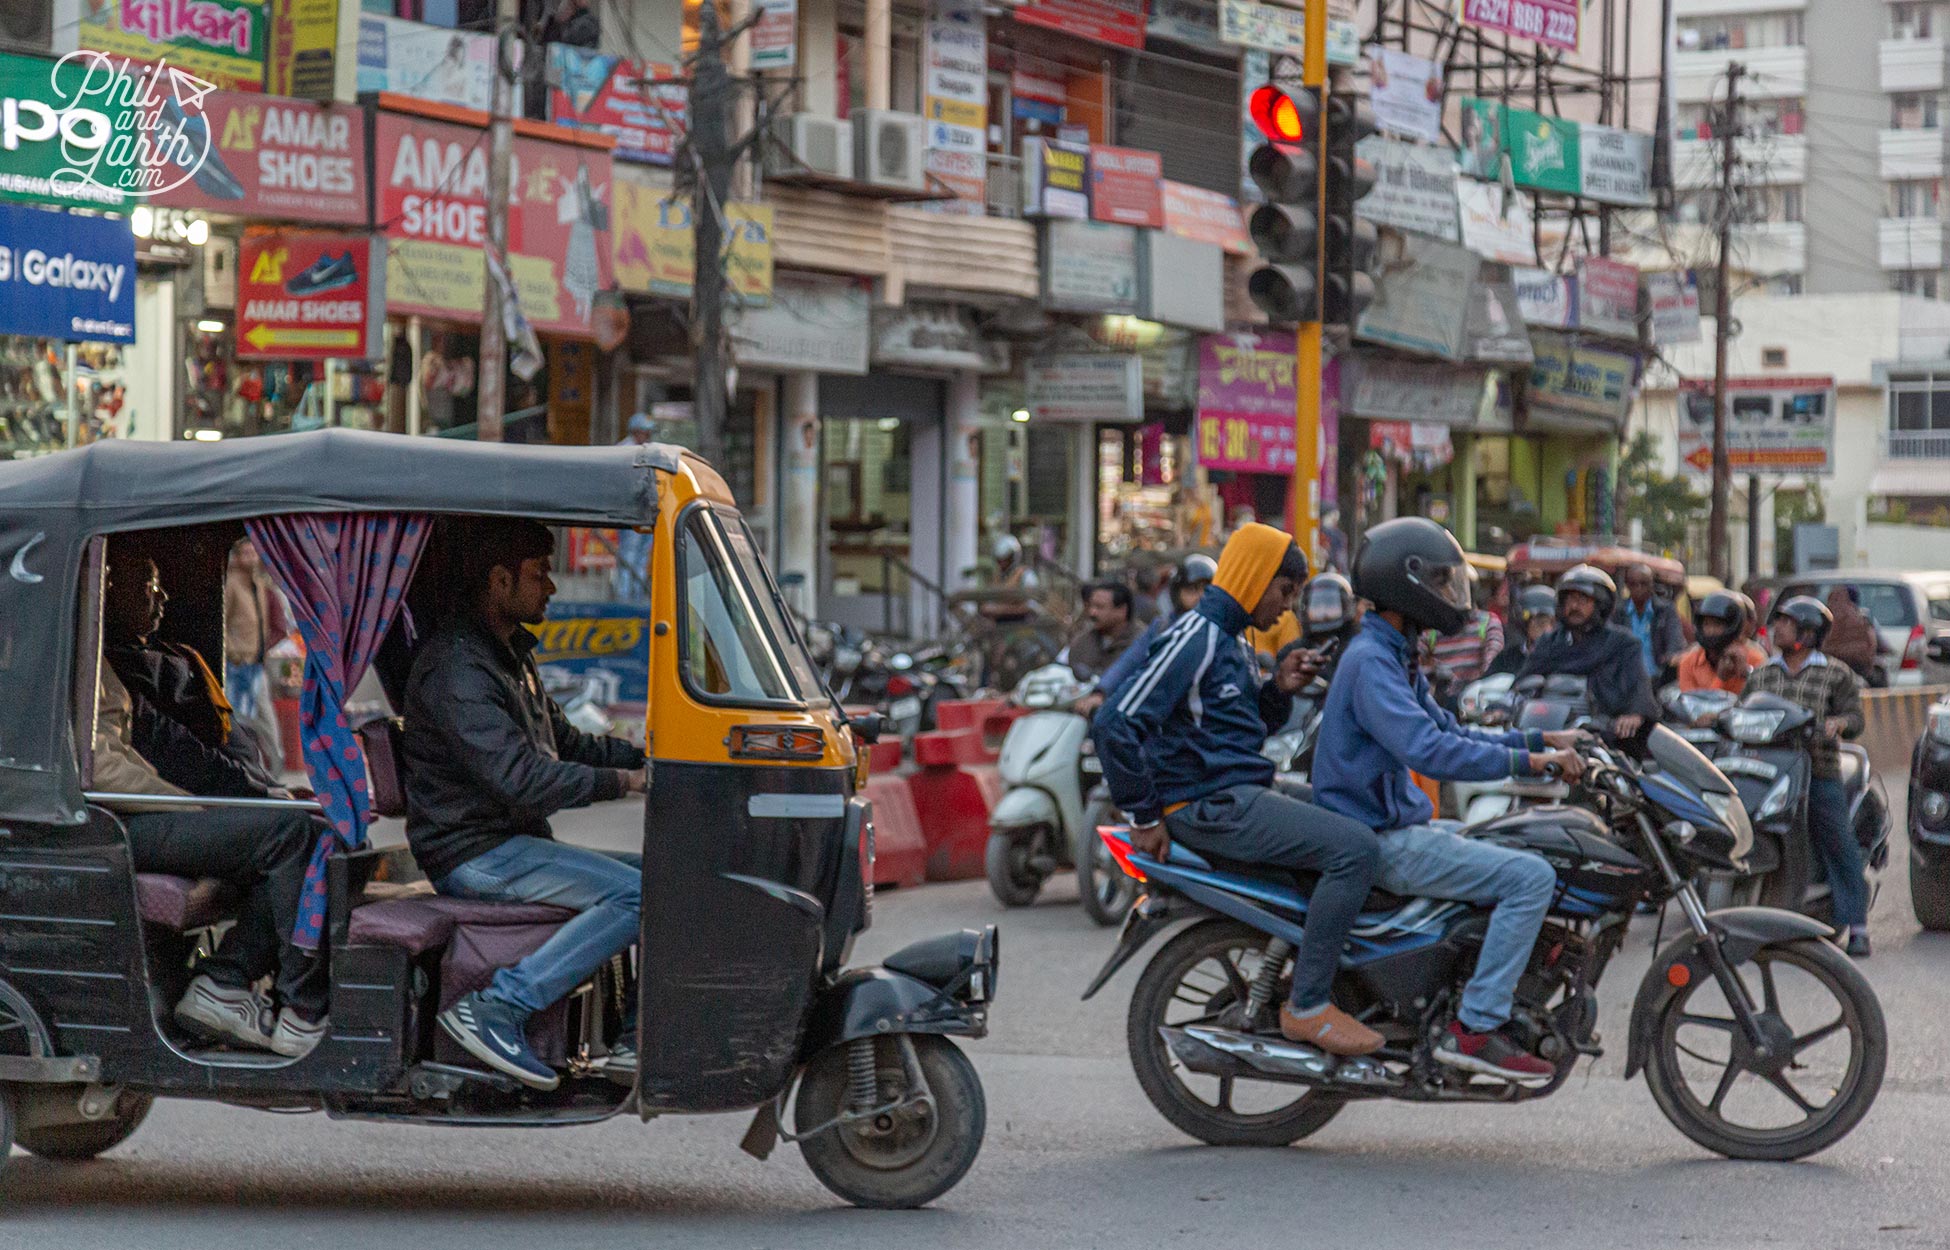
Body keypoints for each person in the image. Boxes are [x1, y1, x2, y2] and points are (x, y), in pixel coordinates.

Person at [1094, 524, 1385, 1056]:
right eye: (1285, 590)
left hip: (1234, 791)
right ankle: (1309, 1003)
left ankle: (1315, 974)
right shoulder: (1195, 636)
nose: (1288, 608)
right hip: (1210, 805)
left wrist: (1278, 689)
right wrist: (1145, 817)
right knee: (1356, 850)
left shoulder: (1231, 641)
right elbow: (1115, 723)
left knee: (1360, 819)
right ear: (1255, 579)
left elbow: (1235, 734)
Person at [1312, 518, 1586, 1083]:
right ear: (1404, 584)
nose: (1450, 597)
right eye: (1440, 583)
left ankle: (1463, 990)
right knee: (1530, 877)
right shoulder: (1370, 662)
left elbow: (1452, 730)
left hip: (1400, 825)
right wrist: (1527, 763)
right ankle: (1476, 1026)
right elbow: (1429, 750)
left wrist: (1539, 741)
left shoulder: (1392, 655)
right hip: (1382, 838)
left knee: (1505, 843)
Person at [403, 520, 650, 1090]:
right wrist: (624, 783)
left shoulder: (506, 656)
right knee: (635, 894)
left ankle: (634, 1039)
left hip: (511, 843)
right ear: (498, 579)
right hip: (475, 853)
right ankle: (498, 1007)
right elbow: (520, 778)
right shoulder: (458, 668)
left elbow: (566, 742)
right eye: (539, 574)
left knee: (662, 880)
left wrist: (644, 760)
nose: (552, 588)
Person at [96, 562, 330, 1058]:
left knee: (305, 828)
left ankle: (223, 982)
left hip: (153, 808)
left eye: (163, 585)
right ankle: (300, 1006)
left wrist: (256, 791)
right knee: (289, 834)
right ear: (106, 589)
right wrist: (194, 807)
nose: (161, 598)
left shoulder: (150, 657)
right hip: (118, 823)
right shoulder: (92, 663)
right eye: (147, 586)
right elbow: (105, 766)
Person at [1745, 596, 1872, 957]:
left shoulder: (1836, 673)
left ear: (1808, 632)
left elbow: (1855, 719)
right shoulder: (1764, 674)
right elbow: (1743, 710)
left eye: (1787, 623)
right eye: (1778, 622)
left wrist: (1839, 723)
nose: (1778, 628)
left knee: (1838, 842)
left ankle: (1858, 926)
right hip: (1767, 774)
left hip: (1817, 772)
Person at [106, 545, 284, 799]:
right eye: (151, 587)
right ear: (116, 593)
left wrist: (266, 784)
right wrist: (255, 789)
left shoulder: (178, 654)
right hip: (215, 788)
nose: (163, 596)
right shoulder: (125, 668)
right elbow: (174, 746)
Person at [1518, 564, 1660, 737]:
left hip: (1602, 734)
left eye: (1583, 599)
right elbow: (1522, 682)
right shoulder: (1550, 642)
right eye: (1570, 599)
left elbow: (1639, 685)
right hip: (1547, 732)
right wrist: (1501, 708)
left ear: (1601, 604)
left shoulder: (1623, 644)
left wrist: (1635, 714)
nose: (1575, 606)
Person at [1099, 554, 1215, 703]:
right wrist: (1101, 691)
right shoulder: (1163, 627)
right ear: (1177, 592)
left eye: (1207, 590)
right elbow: (1130, 660)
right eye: (1192, 589)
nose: (1200, 596)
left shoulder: (1222, 632)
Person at [224, 538, 289, 774]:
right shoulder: (232, 584)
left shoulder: (259, 584)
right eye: (246, 553)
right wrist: (233, 651)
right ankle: (249, 767)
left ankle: (275, 765)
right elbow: (224, 624)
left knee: (264, 717)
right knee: (242, 719)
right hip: (238, 663)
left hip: (256, 662)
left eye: (254, 553)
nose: (251, 558)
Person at [1675, 591, 1769, 697]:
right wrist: (1721, 678)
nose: (1711, 631)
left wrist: (1746, 674)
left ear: (1733, 625)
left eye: (1717, 624)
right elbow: (1691, 705)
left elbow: (1759, 700)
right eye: (1706, 624)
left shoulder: (1755, 659)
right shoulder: (1689, 662)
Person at [1613, 564, 1687, 680]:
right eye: (1633, 584)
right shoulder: (1618, 612)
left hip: (1658, 680)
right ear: (1627, 585)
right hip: (1626, 681)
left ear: (1652, 584)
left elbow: (1675, 640)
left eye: (1644, 583)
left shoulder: (1665, 610)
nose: (1639, 588)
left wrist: (1670, 656)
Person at [1061, 580, 1145, 681]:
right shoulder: (1082, 642)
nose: (1092, 612)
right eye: (1091, 606)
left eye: (1099, 607)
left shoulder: (1142, 643)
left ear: (1122, 610)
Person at [1427, 605, 1505, 690]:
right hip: (1442, 693)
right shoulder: (1431, 625)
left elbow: (1494, 651)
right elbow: (1420, 662)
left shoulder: (1488, 620)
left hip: (1475, 691)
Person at [1488, 584, 1556, 677]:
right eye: (1529, 620)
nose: (1534, 625)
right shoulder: (1508, 657)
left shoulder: (1560, 656)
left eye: (1542, 620)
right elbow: (1488, 682)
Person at [1823, 586, 1881, 684]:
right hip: (1859, 668)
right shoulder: (1861, 617)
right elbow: (1875, 644)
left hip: (1828, 668)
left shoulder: (1822, 616)